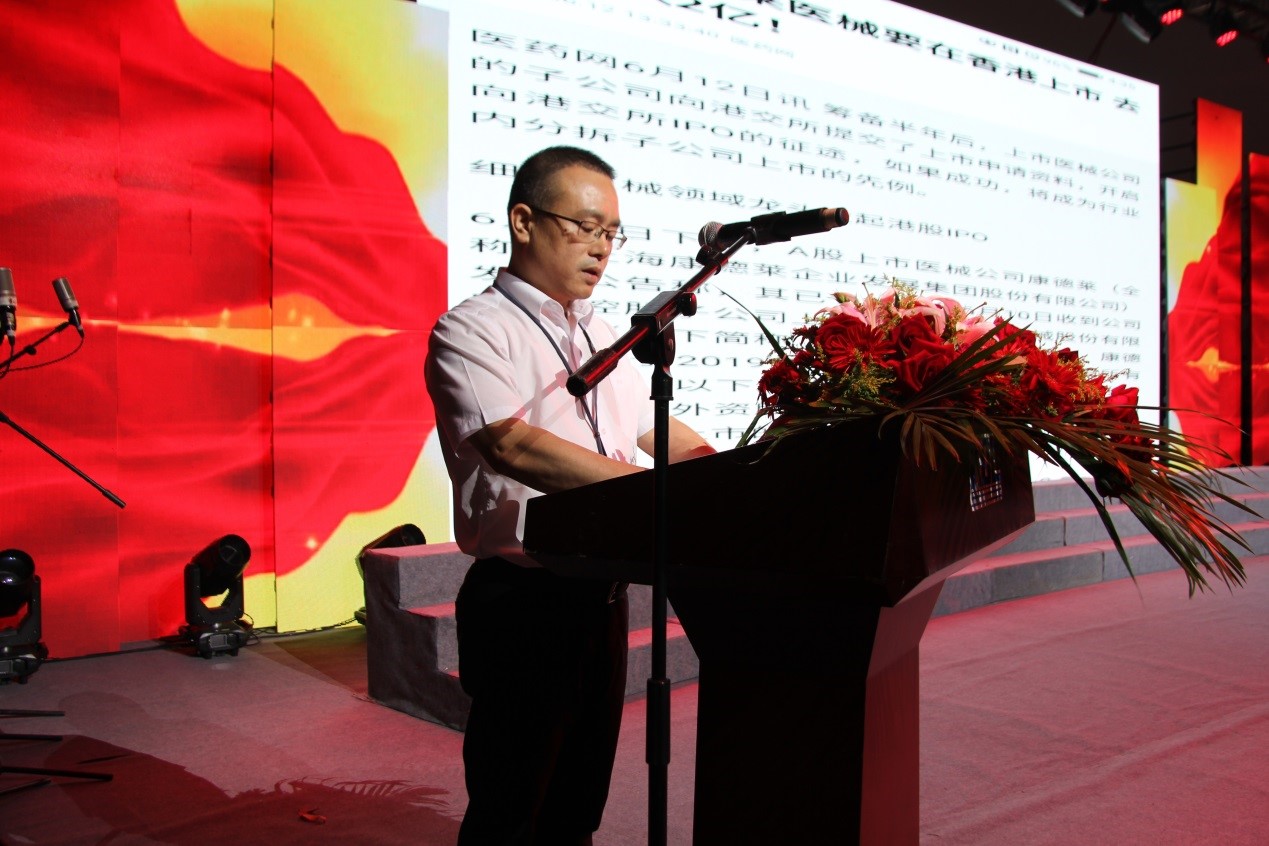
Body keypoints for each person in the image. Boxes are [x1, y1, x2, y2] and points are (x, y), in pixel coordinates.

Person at [425, 145, 714, 845]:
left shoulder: (603, 334)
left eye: (612, 233)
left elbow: (651, 430)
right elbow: (513, 445)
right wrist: (659, 495)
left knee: (576, 811)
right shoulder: (471, 329)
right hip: (524, 604)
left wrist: (725, 474)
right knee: (509, 810)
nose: (601, 248)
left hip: (602, 599)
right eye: (584, 227)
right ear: (524, 222)